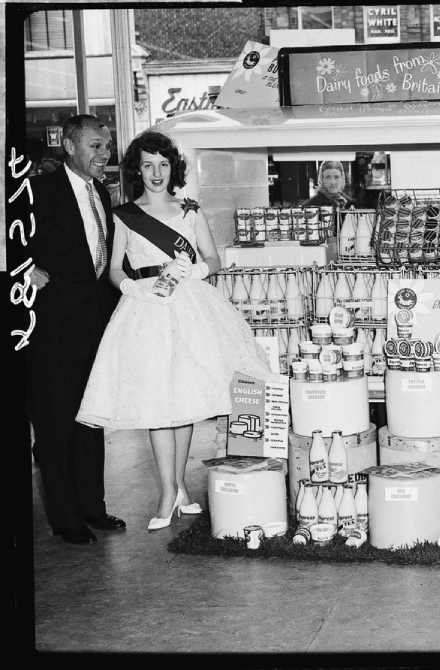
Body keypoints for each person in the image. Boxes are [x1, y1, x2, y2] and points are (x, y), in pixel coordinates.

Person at [76, 130, 275, 531]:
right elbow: (115, 270)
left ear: (173, 167)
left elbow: (214, 258)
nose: (156, 172)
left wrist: (193, 271)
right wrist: (135, 288)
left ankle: (180, 488)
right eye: (147, 165)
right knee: (157, 400)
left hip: (190, 308)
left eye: (163, 164)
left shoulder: (189, 210)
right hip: (147, 312)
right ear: (136, 169)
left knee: (182, 399)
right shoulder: (124, 215)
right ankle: (167, 492)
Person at [28, 114, 125, 545]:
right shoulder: (37, 190)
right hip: (52, 325)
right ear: (69, 146)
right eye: (94, 145)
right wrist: (24, 269)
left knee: (91, 419)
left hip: (95, 321)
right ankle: (66, 517)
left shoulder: (101, 191)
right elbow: (8, 238)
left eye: (106, 146)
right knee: (55, 424)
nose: (103, 154)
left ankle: (93, 508)